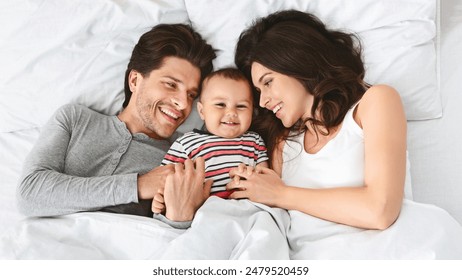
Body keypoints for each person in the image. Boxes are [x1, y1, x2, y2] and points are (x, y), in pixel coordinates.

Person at [16, 23, 216, 227]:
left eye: (192, 95)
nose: (184, 104)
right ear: (135, 81)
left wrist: (178, 217)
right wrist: (137, 186)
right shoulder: (75, 119)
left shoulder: (184, 155)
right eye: (171, 85)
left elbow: (176, 239)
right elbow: (29, 193)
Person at [229, 10, 407, 230]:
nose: (263, 101)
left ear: (298, 62)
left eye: (268, 83)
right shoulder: (282, 143)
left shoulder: (375, 102)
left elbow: (380, 211)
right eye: (258, 91)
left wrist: (281, 194)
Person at [152, 68, 269, 214]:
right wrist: (162, 199)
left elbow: (267, 182)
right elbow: (167, 181)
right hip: (203, 213)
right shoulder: (187, 143)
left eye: (241, 106)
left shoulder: (254, 142)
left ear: (252, 111)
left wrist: (252, 177)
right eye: (220, 104)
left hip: (248, 212)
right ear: (202, 111)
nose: (231, 113)